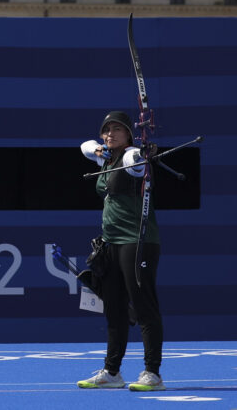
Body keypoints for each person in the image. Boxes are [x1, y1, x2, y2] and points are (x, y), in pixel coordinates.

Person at [76, 110, 165, 392]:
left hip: (137, 242)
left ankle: (152, 373)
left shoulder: (130, 159)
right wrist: (101, 149)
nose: (110, 133)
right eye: (107, 129)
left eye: (117, 129)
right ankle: (112, 372)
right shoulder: (105, 157)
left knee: (144, 305)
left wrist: (141, 152)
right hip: (111, 242)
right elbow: (85, 147)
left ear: (129, 133)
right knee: (114, 308)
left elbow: (133, 161)